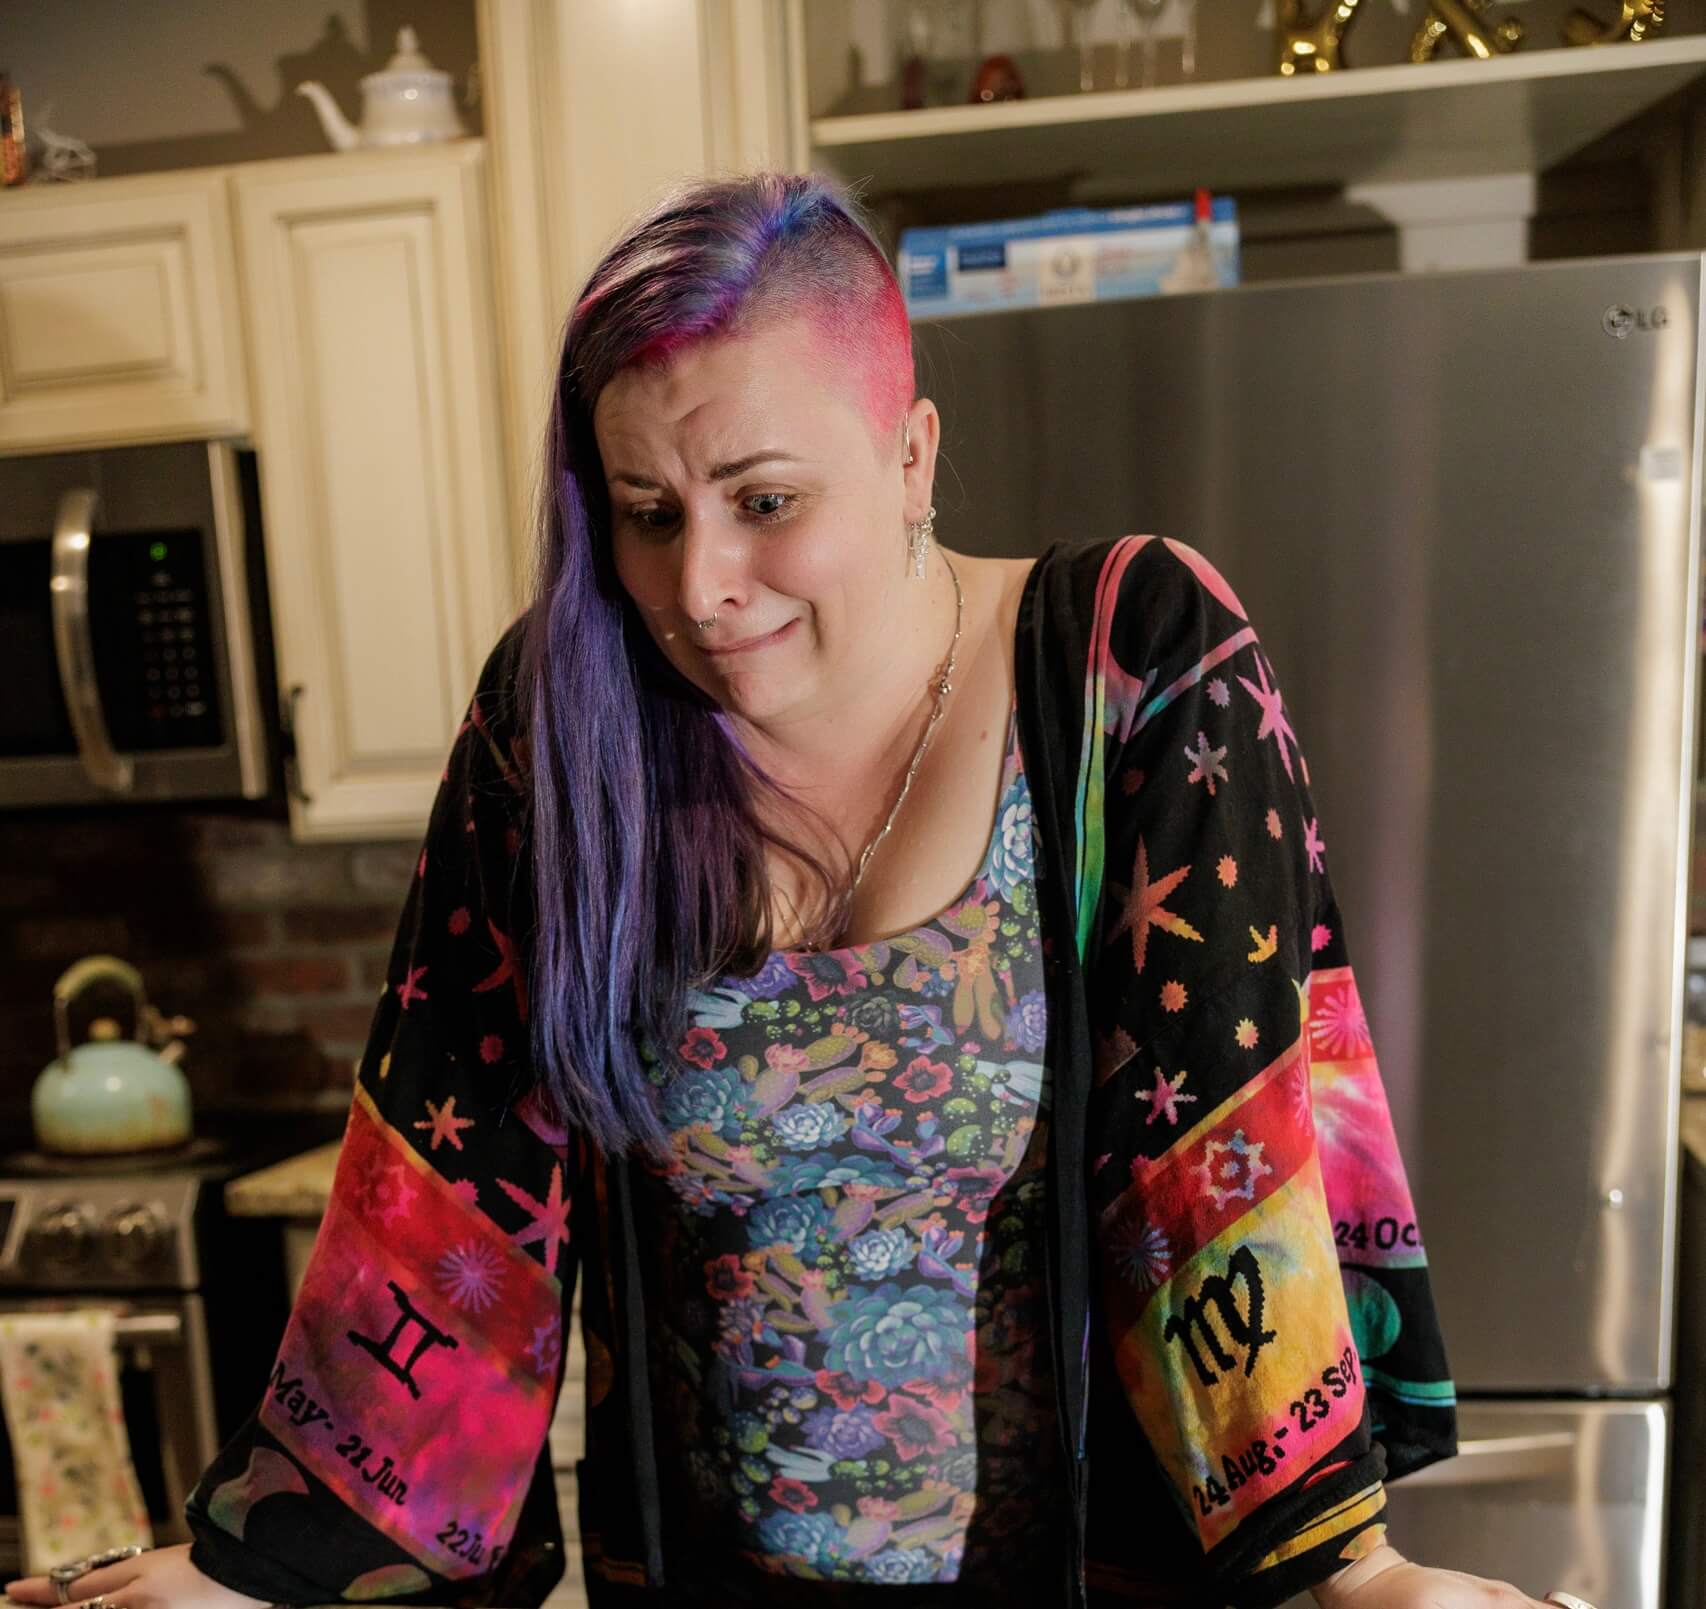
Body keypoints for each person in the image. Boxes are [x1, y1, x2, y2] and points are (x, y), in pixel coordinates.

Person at [5, 172, 1587, 1609]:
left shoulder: (1127, 659)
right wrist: (257, 1576)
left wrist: (1344, 1572)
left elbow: (1218, 1154)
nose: (697, 585)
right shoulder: (563, 722)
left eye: (764, 500)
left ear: (912, 454)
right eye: (645, 515)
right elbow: (445, 1184)